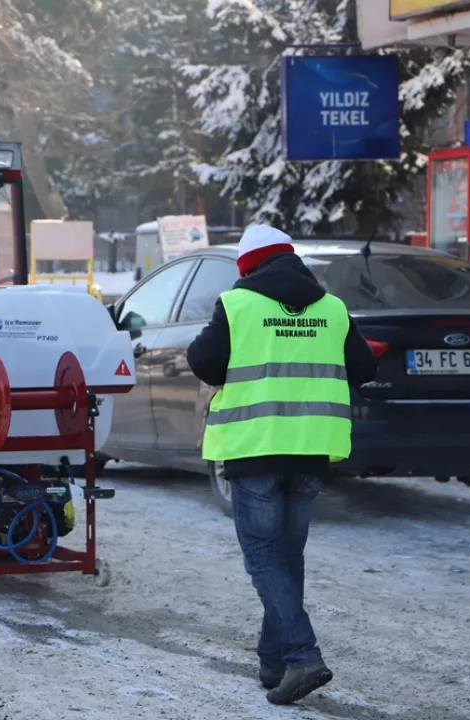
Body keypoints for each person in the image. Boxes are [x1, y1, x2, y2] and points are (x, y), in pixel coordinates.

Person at [186, 225, 376, 706]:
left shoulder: (237, 305)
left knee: (264, 557)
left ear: (247, 267)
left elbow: (205, 363)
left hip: (255, 448)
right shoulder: (332, 309)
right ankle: (274, 663)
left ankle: (301, 656)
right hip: (311, 449)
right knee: (287, 557)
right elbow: (364, 369)